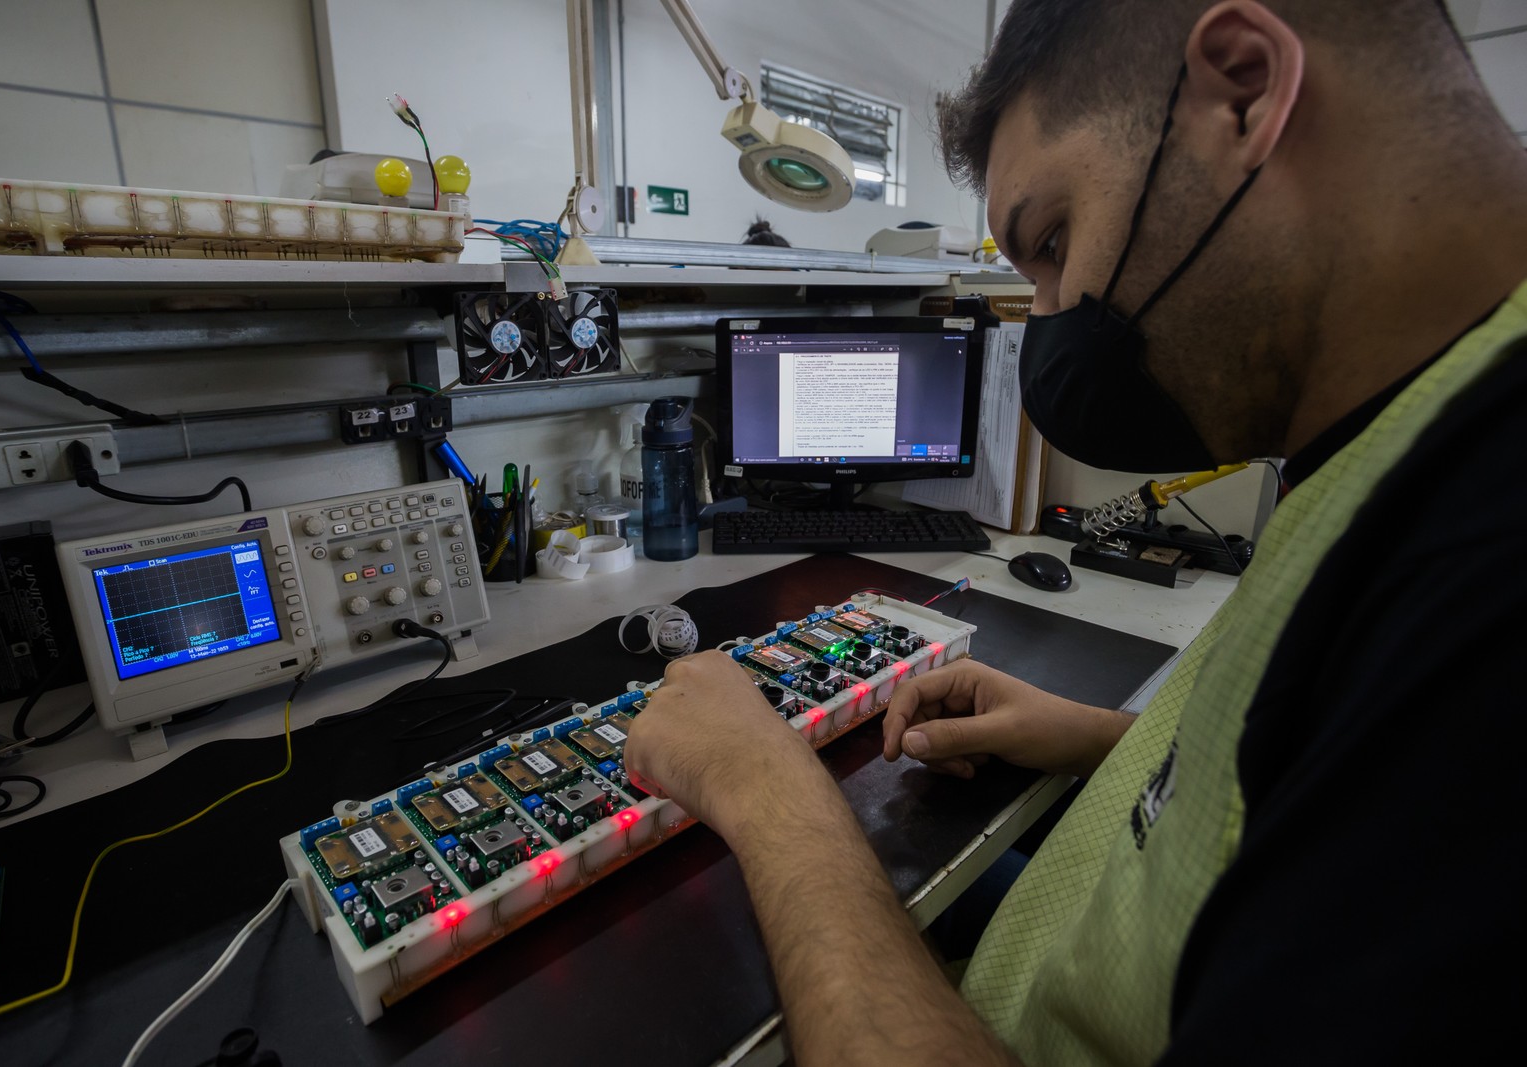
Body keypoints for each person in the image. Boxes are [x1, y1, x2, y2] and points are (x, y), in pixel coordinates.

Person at [626, 0, 1527, 1063]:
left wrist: (769, 792)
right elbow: (1320, 790)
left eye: (1050, 242)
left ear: (1242, 88)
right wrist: (1115, 737)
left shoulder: (1486, 561)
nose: (1048, 318)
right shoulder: (1406, 437)